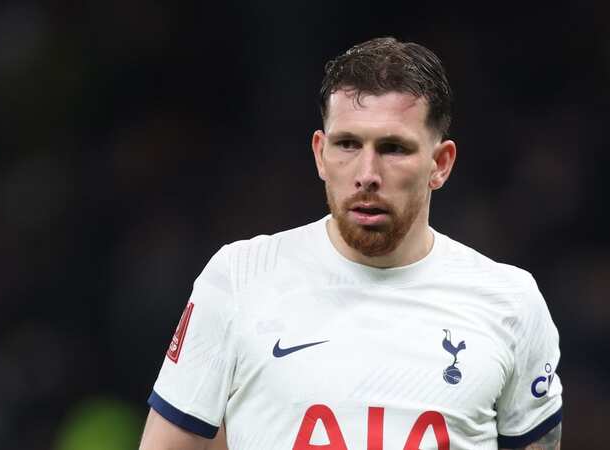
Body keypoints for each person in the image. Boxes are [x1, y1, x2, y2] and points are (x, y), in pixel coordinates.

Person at [139, 37, 563, 450]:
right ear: (321, 154)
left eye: (393, 148)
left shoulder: (511, 302)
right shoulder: (240, 276)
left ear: (440, 164)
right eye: (347, 144)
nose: (367, 173)